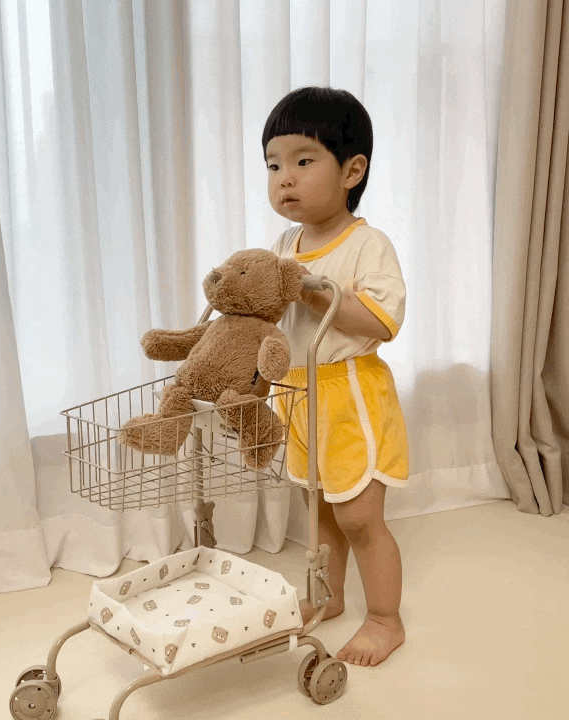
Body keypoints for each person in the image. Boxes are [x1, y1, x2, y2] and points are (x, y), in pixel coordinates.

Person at [265, 87, 409, 667]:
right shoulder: (285, 244)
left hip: (350, 395)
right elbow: (275, 322)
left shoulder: (367, 244)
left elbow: (382, 320)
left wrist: (312, 288)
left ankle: (385, 619)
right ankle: (329, 595)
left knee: (359, 517)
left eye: (303, 161)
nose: (285, 178)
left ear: (352, 171)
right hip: (299, 395)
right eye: (273, 165)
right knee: (319, 510)